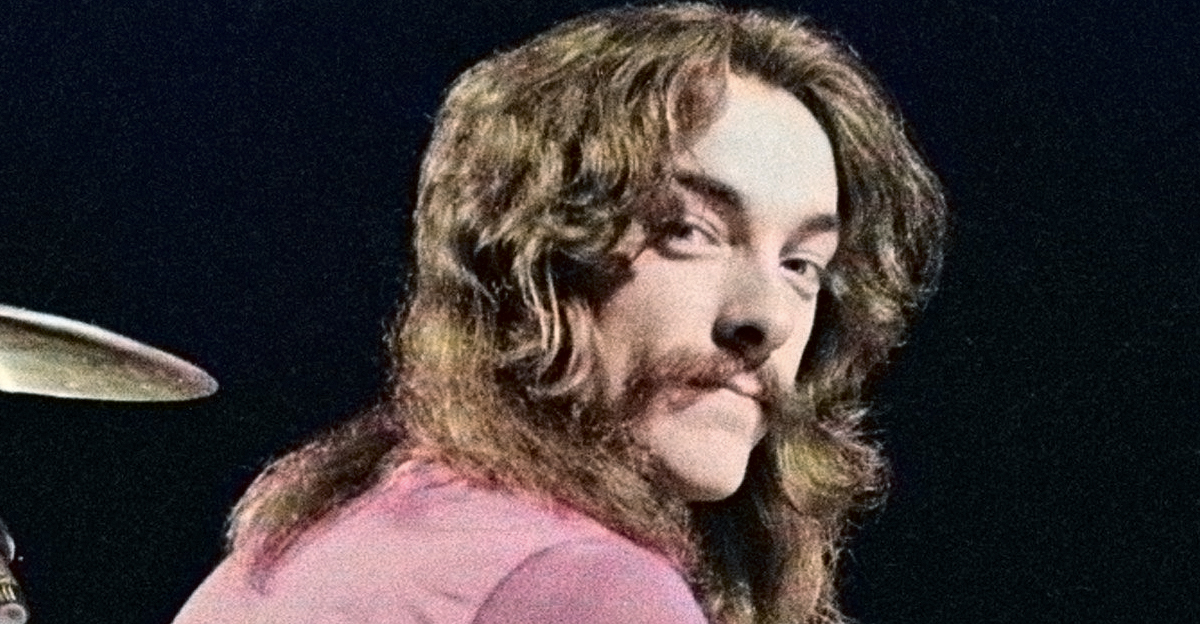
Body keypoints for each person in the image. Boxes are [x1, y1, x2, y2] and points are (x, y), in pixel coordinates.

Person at [173, 3, 946, 623]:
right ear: (529, 261)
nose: (767, 320)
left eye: (801, 266)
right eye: (688, 232)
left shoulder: (317, 537)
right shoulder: (583, 586)